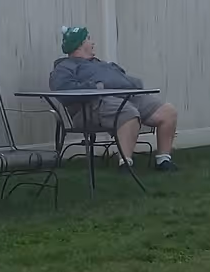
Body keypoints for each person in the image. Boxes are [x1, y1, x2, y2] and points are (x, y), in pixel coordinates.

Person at [47, 26, 180, 170]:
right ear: (79, 45)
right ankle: (125, 163)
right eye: (88, 39)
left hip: (126, 97)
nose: (93, 42)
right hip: (92, 106)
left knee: (168, 111)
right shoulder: (64, 67)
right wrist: (96, 87)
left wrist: (133, 84)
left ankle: (163, 160)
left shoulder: (100, 64)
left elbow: (123, 78)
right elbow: (64, 91)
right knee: (128, 113)